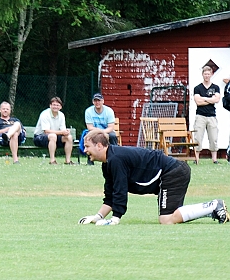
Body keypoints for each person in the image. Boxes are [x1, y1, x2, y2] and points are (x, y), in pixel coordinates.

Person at [79, 131, 227, 225]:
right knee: (171, 216)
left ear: (99, 146)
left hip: (173, 172)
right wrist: (98, 217)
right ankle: (214, 209)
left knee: (166, 219)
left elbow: (120, 190)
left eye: (87, 146)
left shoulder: (116, 159)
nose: (85, 150)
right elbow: (111, 194)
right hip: (171, 173)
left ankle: (214, 206)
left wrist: (115, 219)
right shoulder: (108, 163)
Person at [33, 96, 73, 165]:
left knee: (69, 137)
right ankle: (52, 161)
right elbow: (46, 131)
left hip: (55, 137)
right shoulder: (45, 114)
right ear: (50, 106)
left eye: (57, 105)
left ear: (60, 107)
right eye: (54, 105)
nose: (55, 107)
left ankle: (68, 161)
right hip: (39, 138)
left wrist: (66, 132)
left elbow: (62, 130)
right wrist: (61, 132)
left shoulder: (61, 115)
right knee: (53, 136)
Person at [193, 65, 221, 164]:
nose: (207, 76)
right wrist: (210, 99)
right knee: (198, 137)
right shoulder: (197, 88)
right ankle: (196, 159)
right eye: (205, 74)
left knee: (213, 138)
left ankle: (214, 159)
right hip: (200, 116)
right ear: (202, 74)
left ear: (211, 74)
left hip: (212, 116)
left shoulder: (215, 87)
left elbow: (217, 99)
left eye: (208, 74)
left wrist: (204, 98)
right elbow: (198, 102)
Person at [81, 92, 118, 165]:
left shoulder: (109, 111)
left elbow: (111, 127)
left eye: (99, 100)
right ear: (93, 102)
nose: (97, 102)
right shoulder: (88, 111)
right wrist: (99, 132)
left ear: (103, 101)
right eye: (95, 101)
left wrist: (103, 132)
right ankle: (90, 160)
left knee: (113, 136)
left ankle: (115, 157)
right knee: (88, 137)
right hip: (93, 132)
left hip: (107, 131)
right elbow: (89, 127)